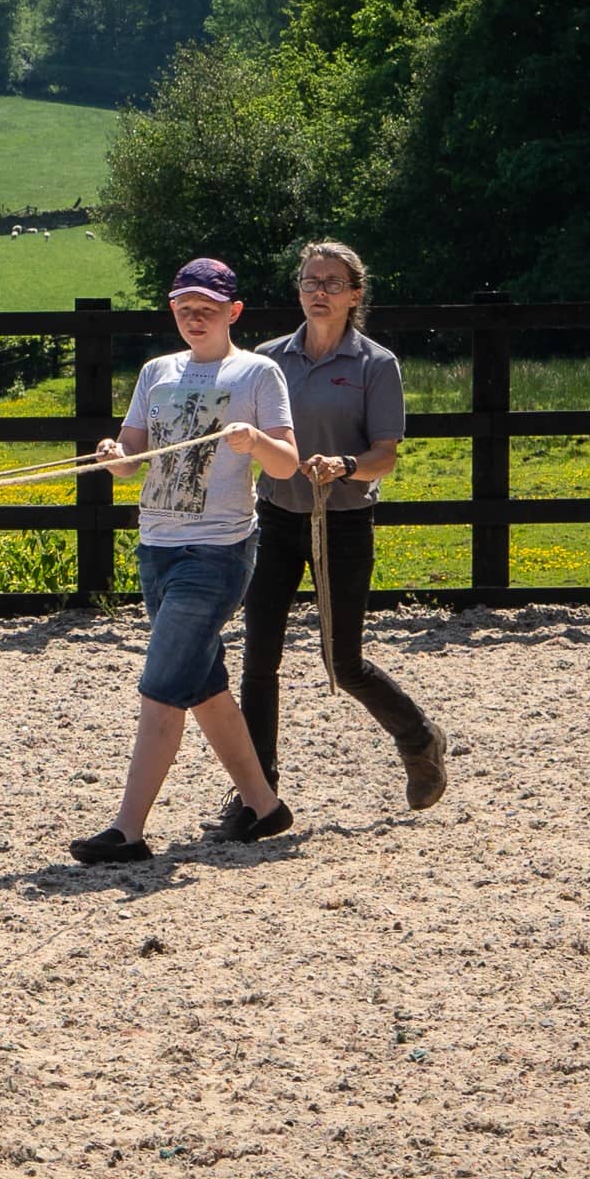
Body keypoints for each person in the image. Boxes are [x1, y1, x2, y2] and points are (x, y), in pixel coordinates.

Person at [205, 240, 447, 836]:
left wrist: (344, 465)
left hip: (341, 521)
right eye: (311, 281)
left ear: (354, 295)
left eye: (332, 283)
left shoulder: (375, 365)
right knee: (258, 659)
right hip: (275, 517)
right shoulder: (265, 362)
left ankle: (419, 739)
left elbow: (384, 457)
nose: (319, 291)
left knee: (343, 659)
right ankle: (257, 793)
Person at [69, 257, 302, 864]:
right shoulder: (156, 373)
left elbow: (286, 464)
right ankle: (263, 804)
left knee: (162, 684)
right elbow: (129, 461)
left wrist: (258, 442)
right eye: (183, 307)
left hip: (218, 550)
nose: (193, 317)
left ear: (233, 311)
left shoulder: (259, 373)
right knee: (200, 683)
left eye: (206, 307)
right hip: (157, 546)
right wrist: (111, 453)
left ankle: (128, 830)